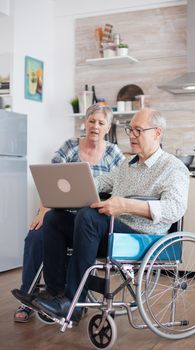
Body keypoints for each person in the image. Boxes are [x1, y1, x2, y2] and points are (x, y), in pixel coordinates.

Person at [13, 107, 190, 325]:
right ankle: (55, 294)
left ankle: (73, 304)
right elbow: (100, 181)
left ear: (157, 133)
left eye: (138, 130)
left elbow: (175, 208)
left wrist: (125, 204)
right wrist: (70, 185)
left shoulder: (173, 167)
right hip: (113, 232)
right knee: (55, 219)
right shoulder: (129, 164)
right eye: (129, 129)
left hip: (142, 237)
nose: (132, 135)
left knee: (88, 217)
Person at [12, 103, 124, 322]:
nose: (95, 126)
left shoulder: (114, 154)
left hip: (89, 218)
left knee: (75, 229)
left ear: (108, 127)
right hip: (58, 210)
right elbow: (49, 182)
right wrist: (42, 212)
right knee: (35, 236)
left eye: (101, 123)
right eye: (92, 121)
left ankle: (64, 298)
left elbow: (120, 189)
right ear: (85, 122)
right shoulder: (70, 147)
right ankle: (29, 297)